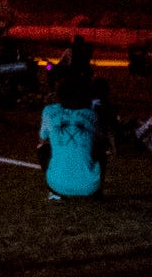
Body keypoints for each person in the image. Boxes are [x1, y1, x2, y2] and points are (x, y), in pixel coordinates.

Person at [38, 68, 104, 199]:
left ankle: (57, 180)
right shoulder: (91, 114)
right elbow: (99, 139)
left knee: (42, 148)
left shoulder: (49, 112)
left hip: (56, 186)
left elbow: (42, 138)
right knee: (100, 150)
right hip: (89, 187)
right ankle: (97, 190)